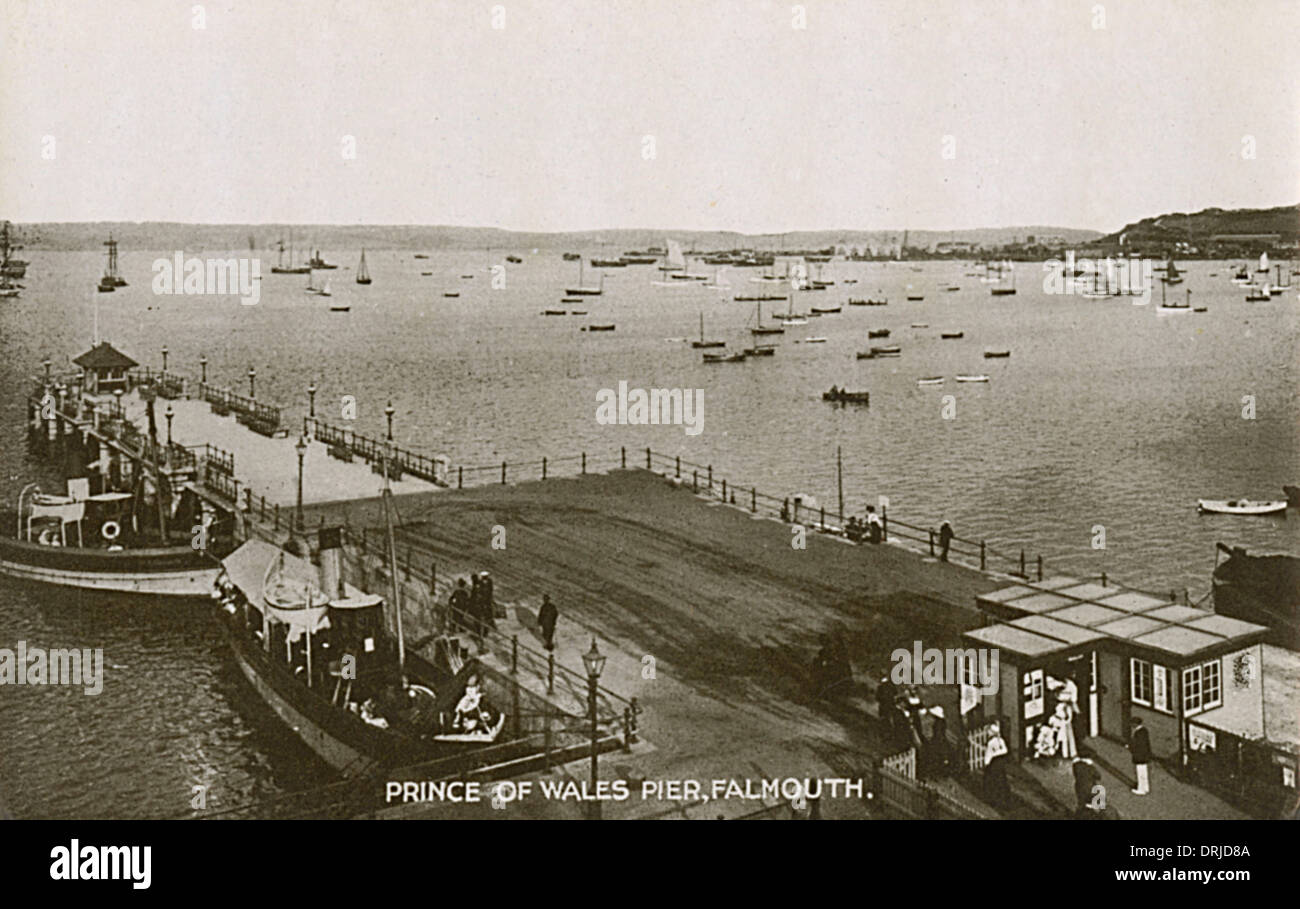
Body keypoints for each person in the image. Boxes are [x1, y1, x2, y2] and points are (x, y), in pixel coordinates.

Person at [983, 723, 1010, 809]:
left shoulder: (991, 742)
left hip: (993, 763)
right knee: (1001, 780)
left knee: (992, 780)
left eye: (989, 732)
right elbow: (1005, 750)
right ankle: (1003, 799)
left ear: (991, 732)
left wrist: (986, 763)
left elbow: (988, 754)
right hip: (1000, 763)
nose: (988, 733)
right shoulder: (1001, 740)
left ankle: (993, 800)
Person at [1129, 716, 1151, 795]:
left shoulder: (1137, 733)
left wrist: (1130, 747)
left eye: (1132, 724)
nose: (1132, 725)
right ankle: (1146, 787)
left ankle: (1141, 789)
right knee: (1144, 772)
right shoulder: (1145, 731)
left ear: (1136, 724)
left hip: (1139, 756)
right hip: (1145, 755)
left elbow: (1136, 745)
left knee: (1140, 773)